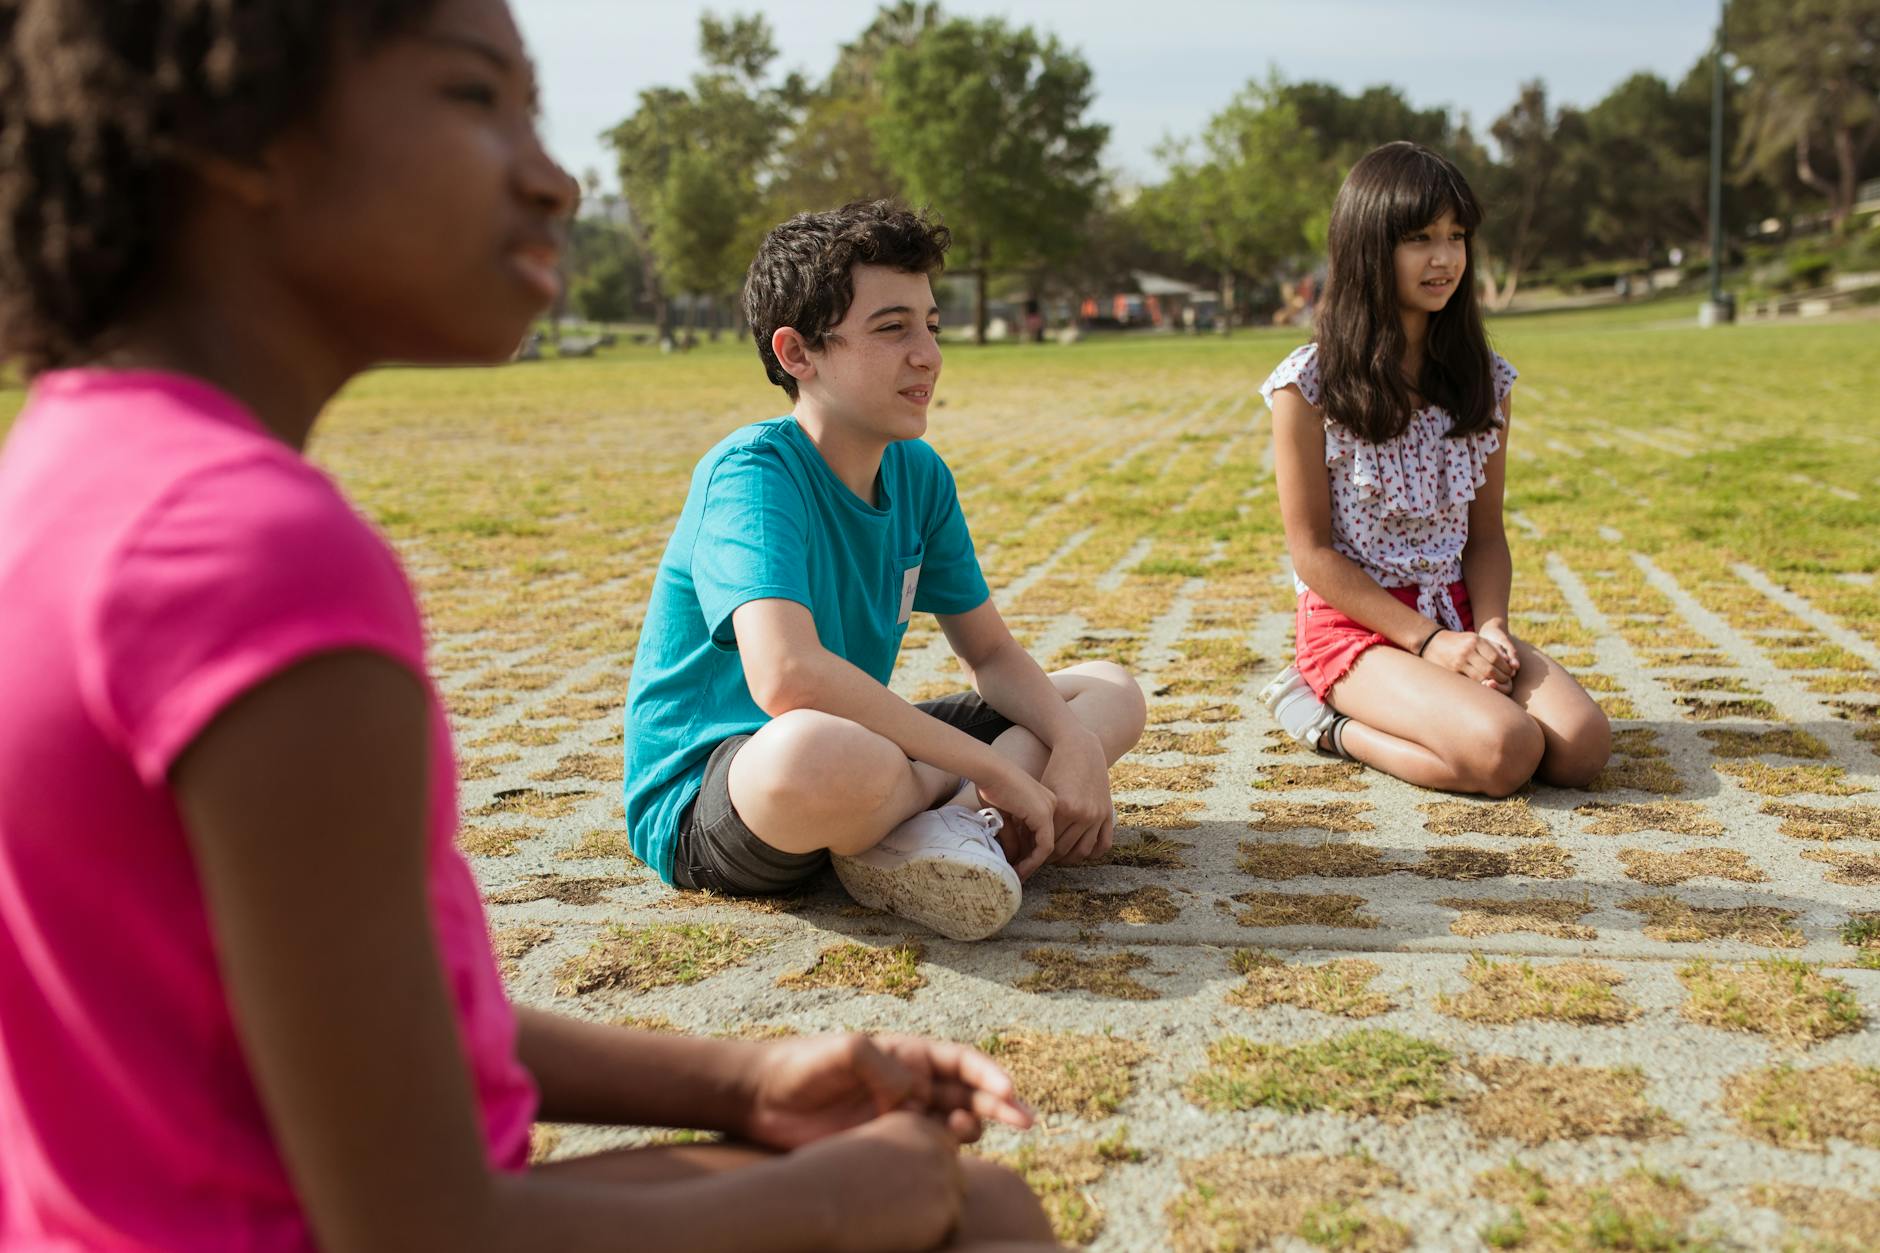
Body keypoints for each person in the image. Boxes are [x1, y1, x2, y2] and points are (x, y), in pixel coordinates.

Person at [0, 3, 1057, 1249]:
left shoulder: (71, 469)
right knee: (972, 1206)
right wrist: (858, 1191)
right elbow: (418, 1226)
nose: (553, 178)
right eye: (472, 97)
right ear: (247, 142)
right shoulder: (248, 557)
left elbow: (347, 1009)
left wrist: (742, 1078)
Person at [623, 201, 1146, 941]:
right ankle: (957, 809)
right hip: (729, 791)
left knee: (1108, 692)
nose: (927, 354)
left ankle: (944, 829)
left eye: (931, 325)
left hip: (868, 759)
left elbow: (991, 655)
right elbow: (787, 678)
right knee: (819, 750)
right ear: (798, 353)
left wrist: (1075, 745)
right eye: (892, 327)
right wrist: (996, 768)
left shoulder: (918, 473)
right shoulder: (751, 475)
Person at [1258, 142, 1611, 797]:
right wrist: (1428, 645)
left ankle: (1455, 699)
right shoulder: (1307, 386)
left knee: (1582, 749)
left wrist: (1491, 627)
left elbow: (1485, 537)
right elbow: (1312, 555)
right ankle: (1320, 716)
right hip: (1355, 629)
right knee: (1507, 751)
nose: (1444, 258)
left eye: (1457, 236)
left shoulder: (1484, 382)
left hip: (1453, 618)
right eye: (1419, 238)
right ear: (1368, 247)